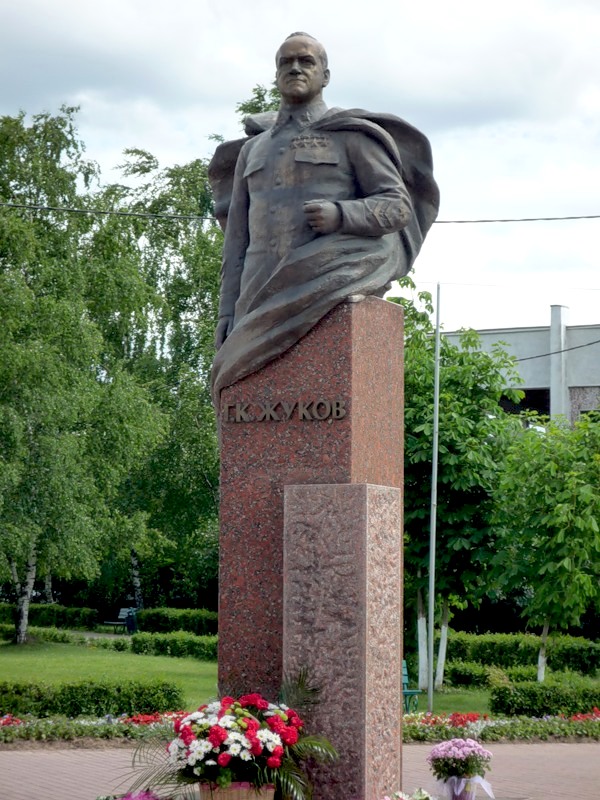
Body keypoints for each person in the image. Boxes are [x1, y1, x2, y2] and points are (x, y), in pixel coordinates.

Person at [209, 32, 439, 403]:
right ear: (276, 74)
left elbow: (397, 207)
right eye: (286, 62)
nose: (295, 68)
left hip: (326, 276)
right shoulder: (253, 149)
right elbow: (236, 241)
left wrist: (341, 214)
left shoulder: (350, 136)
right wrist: (225, 313)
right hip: (257, 292)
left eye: (306, 61)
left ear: (325, 76)